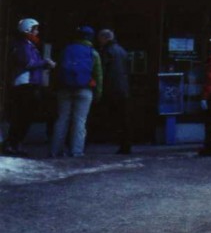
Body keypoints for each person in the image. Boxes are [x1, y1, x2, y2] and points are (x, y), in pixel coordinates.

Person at [4, 18, 56, 156]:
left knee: (24, 116)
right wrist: (44, 62)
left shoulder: (28, 44)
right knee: (22, 116)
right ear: (27, 29)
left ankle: (14, 143)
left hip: (29, 83)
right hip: (25, 83)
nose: (37, 32)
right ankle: (14, 144)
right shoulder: (23, 45)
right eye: (35, 29)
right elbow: (27, 62)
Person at [51, 26, 103, 158]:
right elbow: (98, 76)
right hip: (84, 90)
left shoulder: (66, 50)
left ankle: (55, 150)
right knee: (80, 121)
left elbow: (58, 71)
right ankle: (76, 151)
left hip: (64, 89)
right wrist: (97, 93)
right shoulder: (93, 53)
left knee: (62, 119)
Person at [97, 29, 133, 155]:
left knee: (115, 116)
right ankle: (125, 144)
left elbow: (102, 71)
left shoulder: (107, 51)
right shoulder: (122, 50)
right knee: (123, 117)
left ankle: (119, 142)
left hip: (111, 88)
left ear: (104, 38)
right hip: (123, 88)